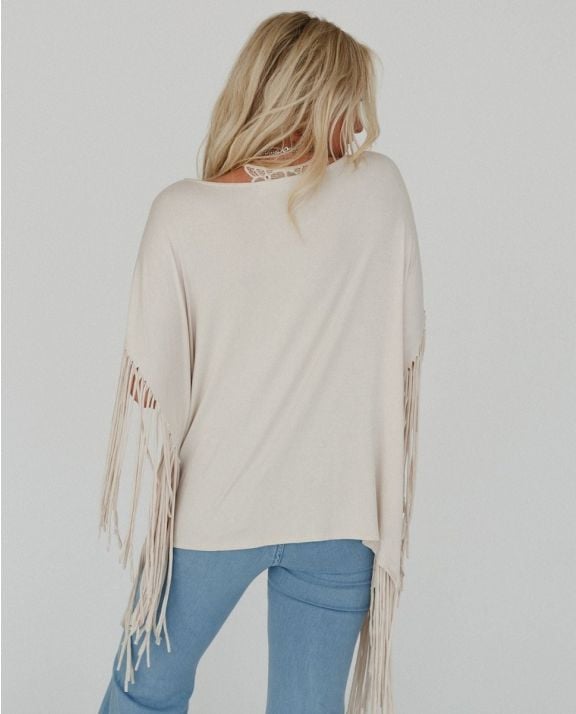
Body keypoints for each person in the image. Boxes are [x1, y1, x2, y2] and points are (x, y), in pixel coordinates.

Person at [98, 10, 426, 714]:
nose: (359, 129)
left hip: (214, 511)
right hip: (340, 515)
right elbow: (401, 346)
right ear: (314, 99)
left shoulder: (181, 213)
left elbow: (154, 392)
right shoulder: (379, 189)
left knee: (143, 694)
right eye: (349, 106)